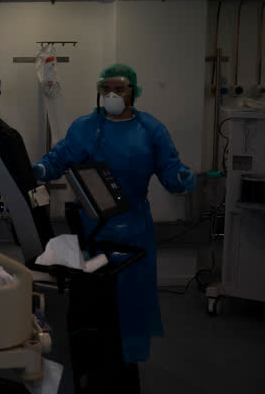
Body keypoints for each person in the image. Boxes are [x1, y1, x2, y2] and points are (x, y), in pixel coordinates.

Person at [33, 64, 196, 379]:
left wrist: (181, 177)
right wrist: (41, 169)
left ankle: (125, 363)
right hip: (92, 228)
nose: (111, 95)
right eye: (106, 88)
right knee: (90, 301)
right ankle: (88, 362)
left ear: (134, 91)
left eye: (119, 88)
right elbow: (60, 157)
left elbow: (169, 169)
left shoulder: (150, 130)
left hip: (134, 229)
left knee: (130, 300)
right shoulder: (85, 127)